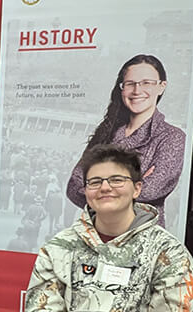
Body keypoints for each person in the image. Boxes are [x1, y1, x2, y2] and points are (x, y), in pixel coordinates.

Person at [26, 144, 193, 312]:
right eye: (95, 182)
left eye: (117, 180)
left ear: (137, 189)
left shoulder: (169, 253)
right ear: (86, 191)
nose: (105, 188)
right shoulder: (59, 247)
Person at [65, 55, 184, 218]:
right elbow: (74, 187)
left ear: (161, 87)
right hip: (98, 231)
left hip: (141, 232)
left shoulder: (172, 137)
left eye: (146, 83)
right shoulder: (106, 132)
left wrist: (96, 188)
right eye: (130, 84)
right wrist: (131, 185)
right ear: (122, 88)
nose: (137, 90)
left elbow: (150, 191)